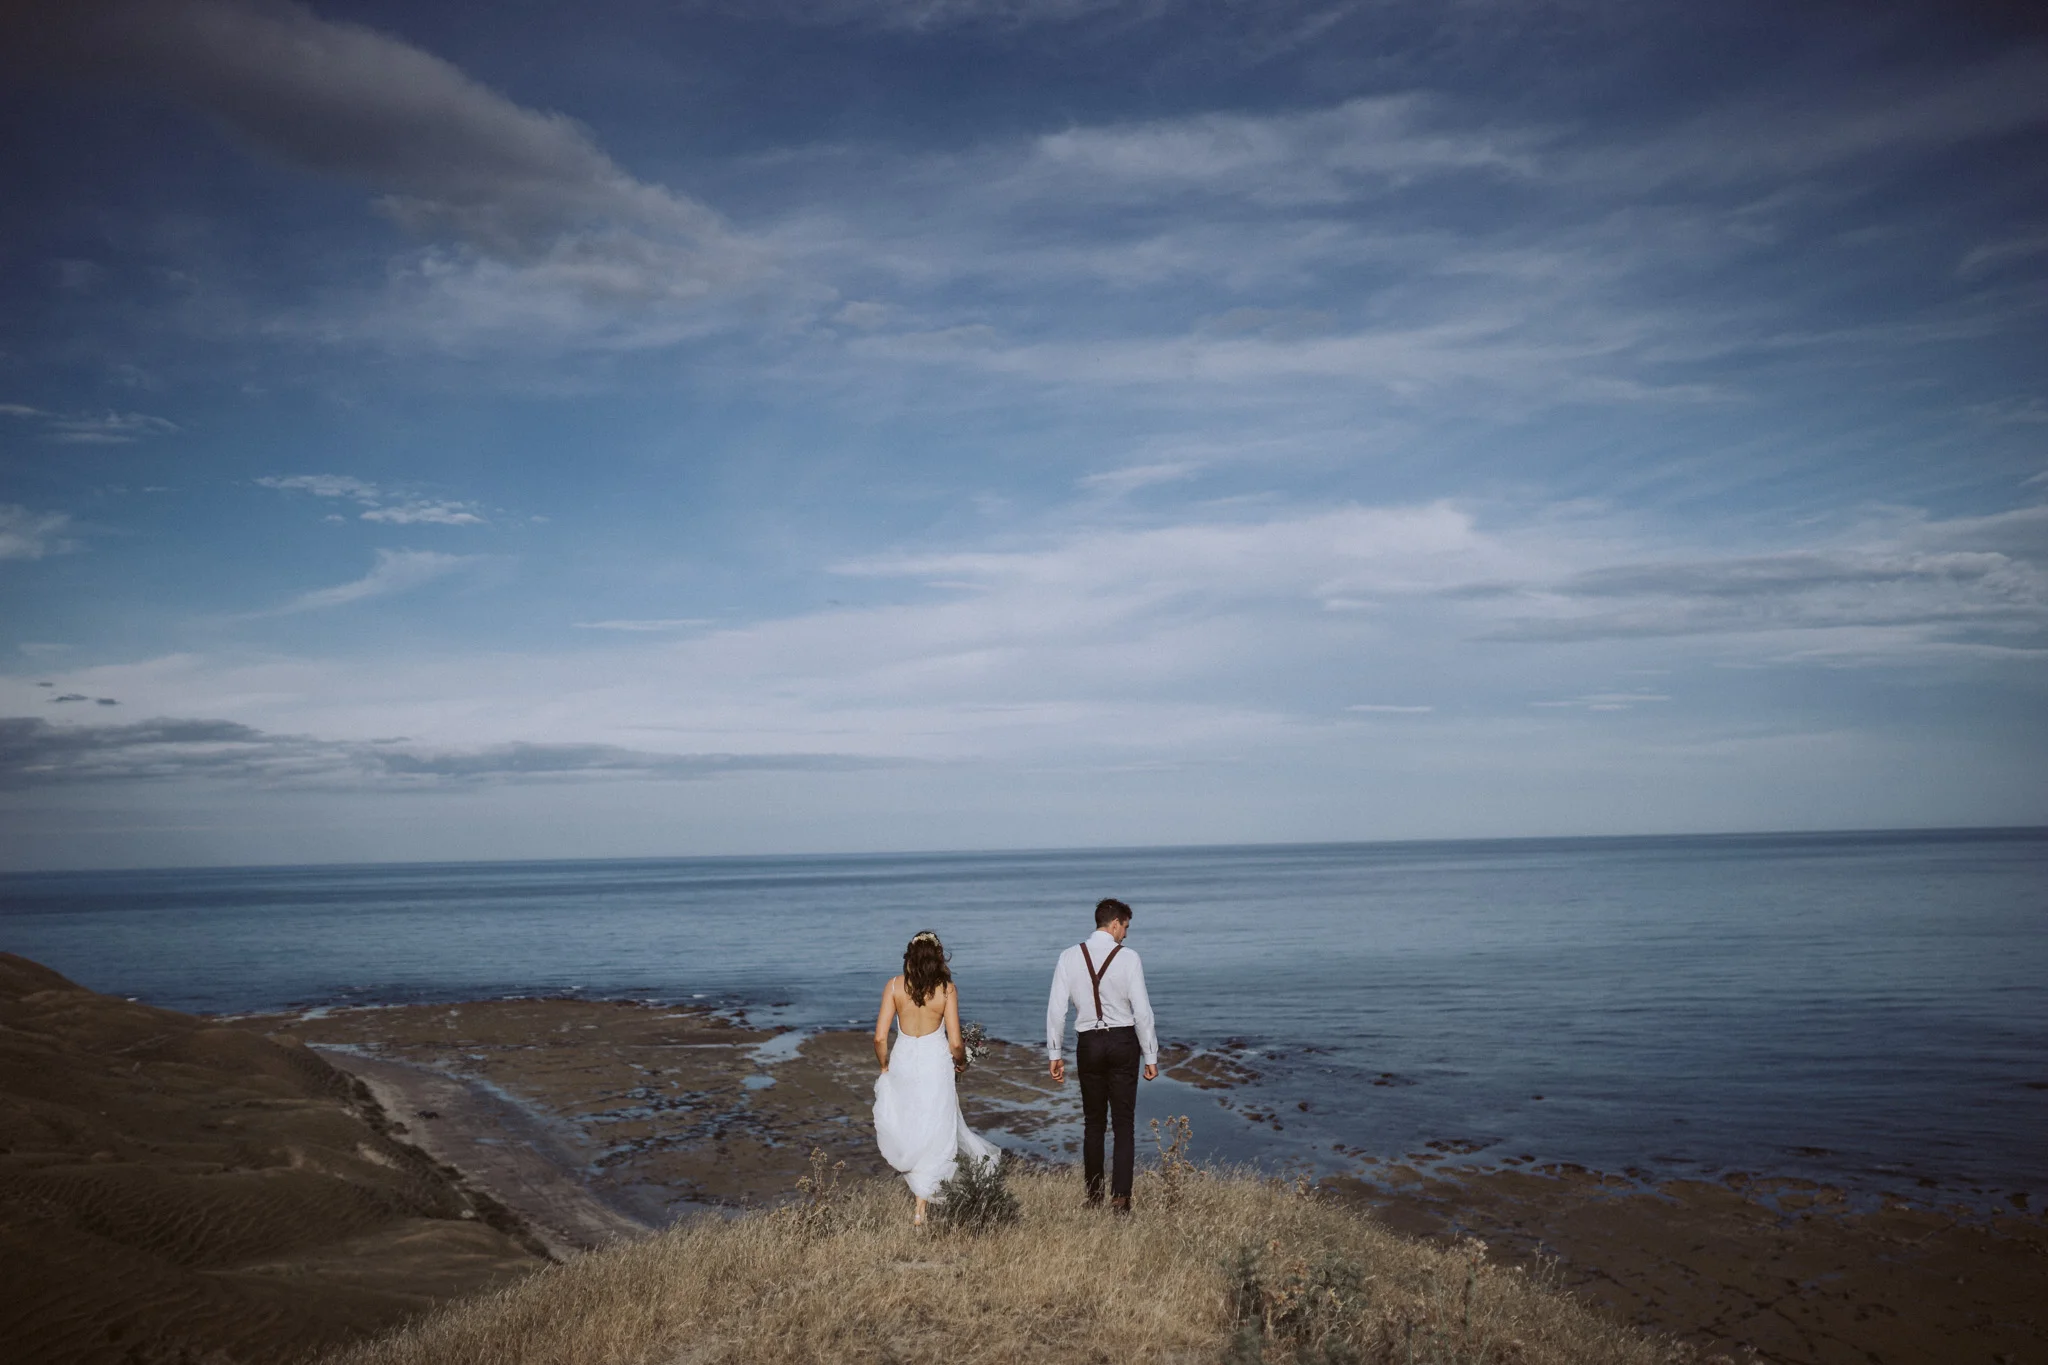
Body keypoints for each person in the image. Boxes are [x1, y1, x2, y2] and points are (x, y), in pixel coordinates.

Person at [872, 929, 1000, 1226]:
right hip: (934, 1064)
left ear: (910, 956)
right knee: (936, 1131)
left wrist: (884, 1066)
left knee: (912, 1128)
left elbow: (880, 1037)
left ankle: (921, 1206)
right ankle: (920, 1209)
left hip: (904, 1061)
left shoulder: (893, 986)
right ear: (939, 957)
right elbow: (956, 1042)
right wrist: (961, 1063)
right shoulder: (946, 990)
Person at [1046, 897, 1158, 1212]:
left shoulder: (1069, 957)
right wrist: (1150, 1055)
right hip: (1123, 1042)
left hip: (1088, 1043)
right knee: (1123, 1123)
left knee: (1093, 1123)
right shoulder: (1129, 958)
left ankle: (1093, 1198)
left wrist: (1055, 1052)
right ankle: (1121, 1199)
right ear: (1114, 924)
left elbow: (1056, 1010)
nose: (1126, 934)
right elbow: (1142, 1011)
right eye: (1125, 927)